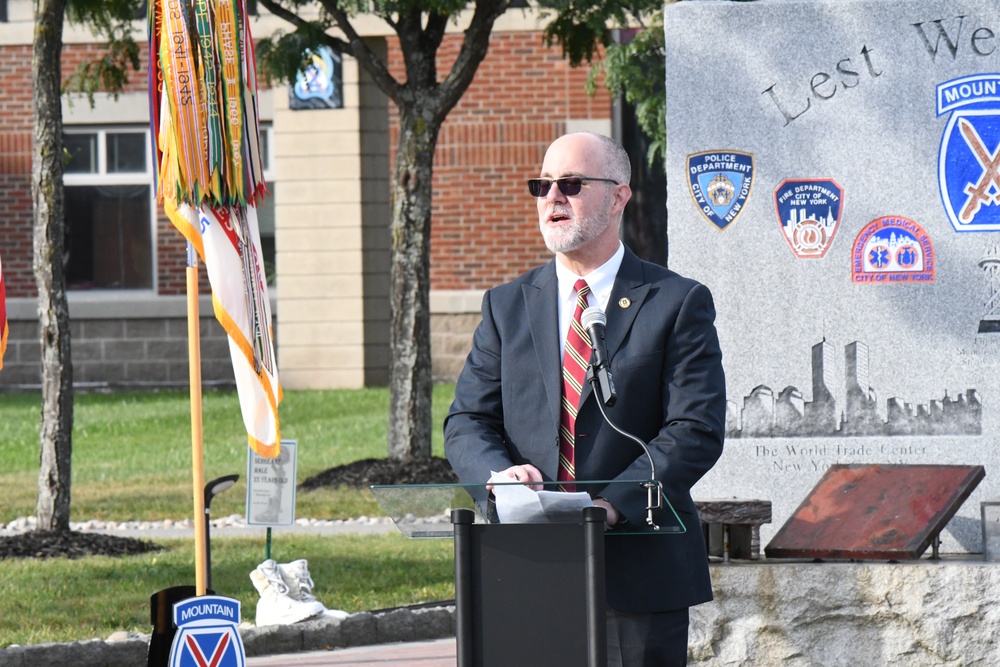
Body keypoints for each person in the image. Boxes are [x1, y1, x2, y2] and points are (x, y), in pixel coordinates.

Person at [443, 131, 726, 666]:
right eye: (542, 184)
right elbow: (467, 421)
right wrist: (499, 477)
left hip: (637, 577)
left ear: (619, 196)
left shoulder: (676, 302)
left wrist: (611, 506)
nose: (553, 197)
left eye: (571, 184)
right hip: (527, 569)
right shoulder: (505, 307)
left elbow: (695, 429)